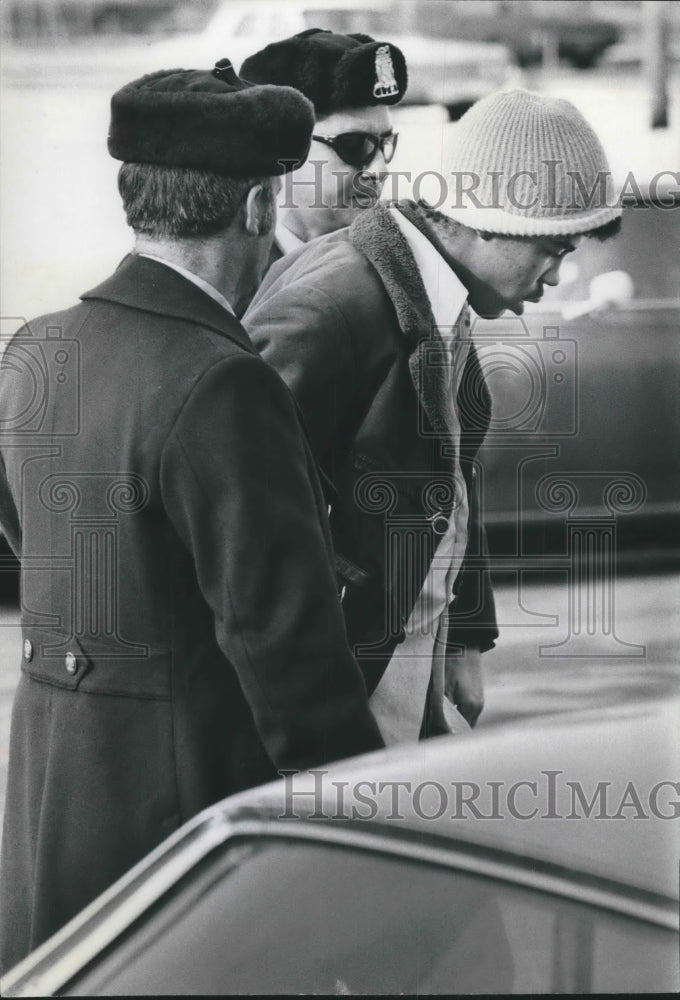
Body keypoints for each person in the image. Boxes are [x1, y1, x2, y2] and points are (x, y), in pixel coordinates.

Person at [0, 59, 384, 973]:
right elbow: (290, 663)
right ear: (256, 208)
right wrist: (378, 821)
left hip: (54, 803)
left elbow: (28, 536)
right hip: (183, 838)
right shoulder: (225, 384)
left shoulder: (36, 346)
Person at [244, 89, 622, 745]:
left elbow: (448, 483)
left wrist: (456, 640)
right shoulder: (335, 305)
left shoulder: (433, 294)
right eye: (553, 249)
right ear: (483, 221)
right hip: (331, 711)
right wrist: (314, 728)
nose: (557, 276)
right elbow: (246, 538)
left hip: (397, 685)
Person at [239, 28, 407, 267]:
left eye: (386, 143)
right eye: (356, 146)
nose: (380, 170)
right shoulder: (239, 284)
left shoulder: (396, 269)